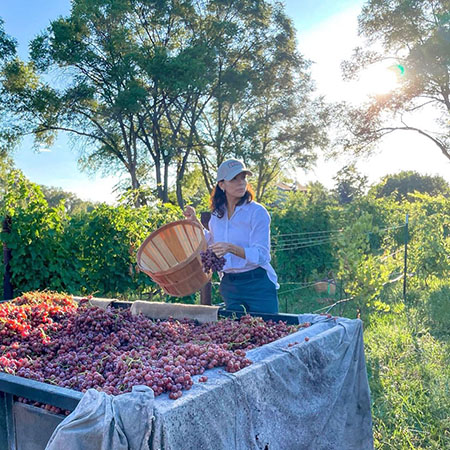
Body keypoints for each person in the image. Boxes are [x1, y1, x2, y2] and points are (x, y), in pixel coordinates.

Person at [184, 158, 279, 314]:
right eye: (234, 179)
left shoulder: (257, 212)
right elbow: (211, 242)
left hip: (258, 284)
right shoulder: (217, 215)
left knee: (268, 333)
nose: (241, 182)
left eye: (243, 177)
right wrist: (195, 224)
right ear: (222, 185)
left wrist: (231, 248)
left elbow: (262, 255)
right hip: (230, 286)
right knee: (236, 334)